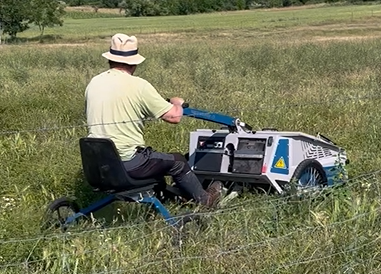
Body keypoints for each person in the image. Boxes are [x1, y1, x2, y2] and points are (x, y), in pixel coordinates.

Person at [84, 33, 222, 208]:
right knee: (178, 161)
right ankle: (205, 201)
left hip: (97, 163)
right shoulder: (139, 85)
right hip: (128, 163)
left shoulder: (94, 83)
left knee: (156, 161)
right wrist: (177, 103)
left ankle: (171, 195)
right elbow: (174, 117)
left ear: (110, 59)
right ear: (134, 62)